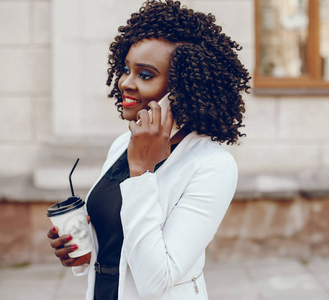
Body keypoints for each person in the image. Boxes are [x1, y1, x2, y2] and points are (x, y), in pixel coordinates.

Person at [47, 0, 250, 299]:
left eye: (145, 75)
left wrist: (141, 171)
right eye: (126, 69)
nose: (125, 83)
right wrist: (85, 254)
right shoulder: (123, 144)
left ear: (182, 88)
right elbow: (121, 241)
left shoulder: (211, 165)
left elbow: (157, 281)